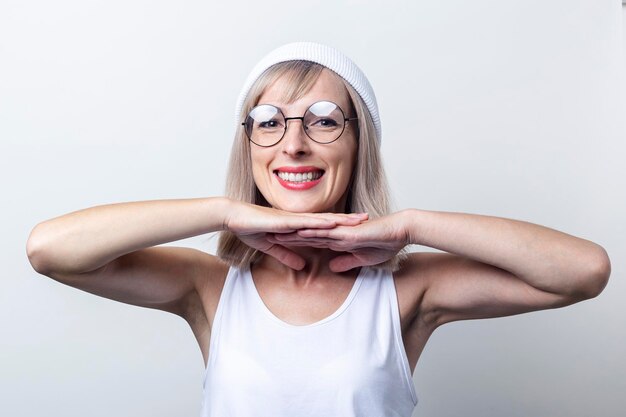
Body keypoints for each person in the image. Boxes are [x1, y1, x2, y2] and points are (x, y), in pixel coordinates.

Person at [25, 42, 611, 417]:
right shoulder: (209, 287)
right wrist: (225, 213)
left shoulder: (407, 290)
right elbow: (50, 251)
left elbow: (584, 272)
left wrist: (407, 226)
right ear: (248, 144)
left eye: (325, 121)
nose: (294, 143)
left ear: (360, 147)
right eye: (268, 122)